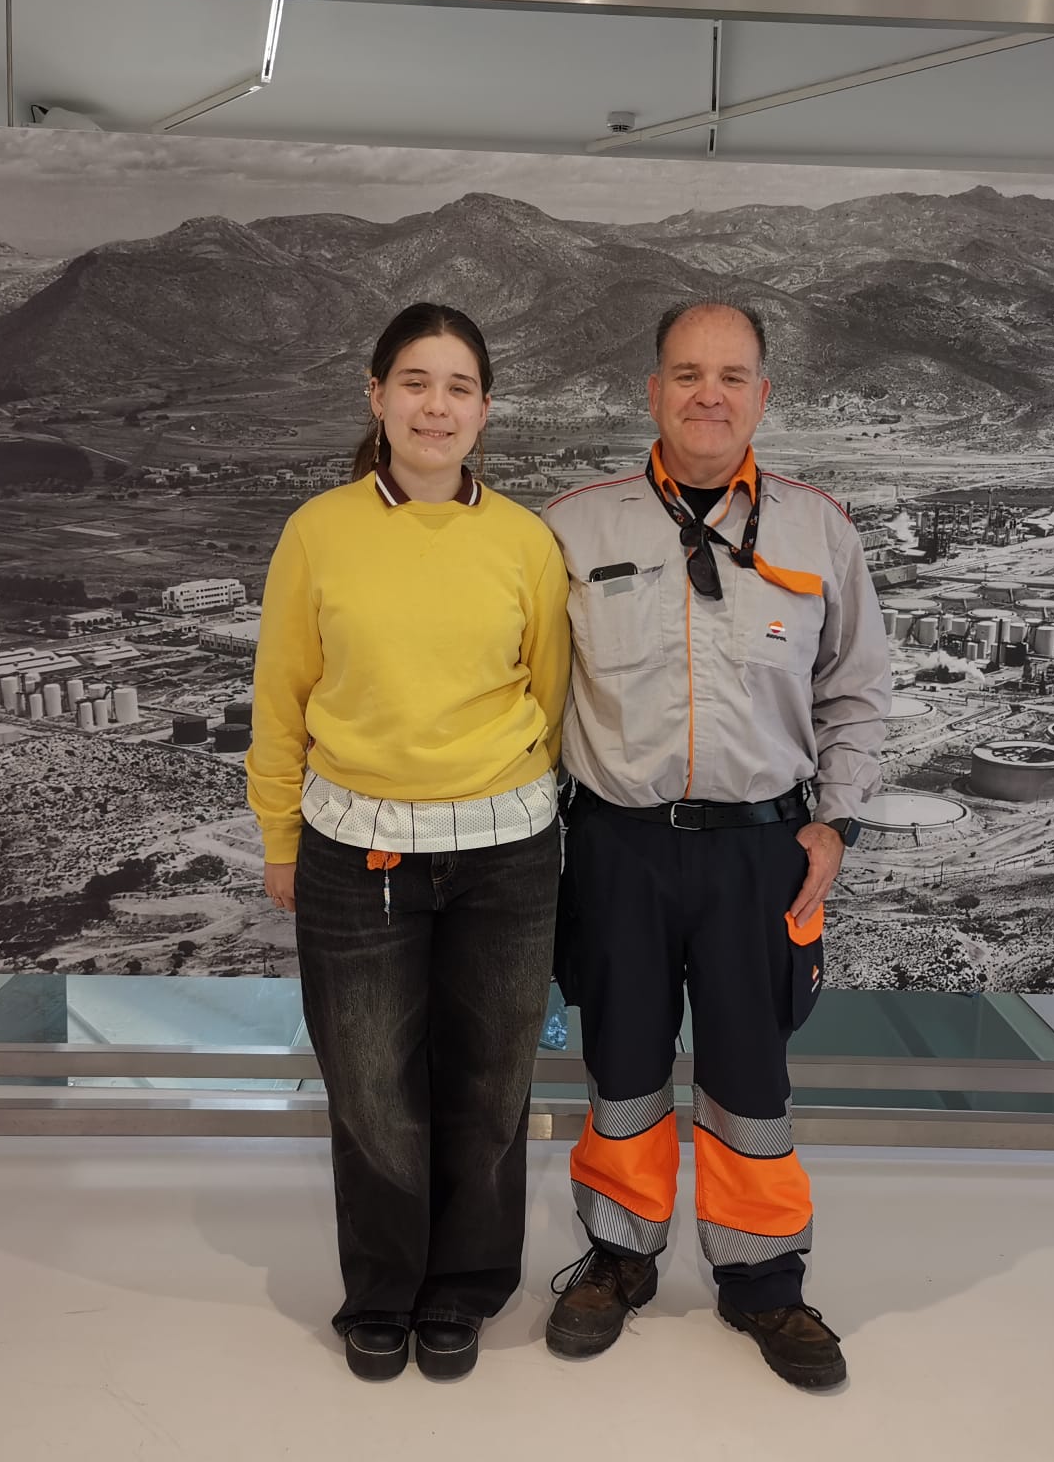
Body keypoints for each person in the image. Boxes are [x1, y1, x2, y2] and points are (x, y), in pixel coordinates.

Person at [540, 300, 890, 1389]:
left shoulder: (819, 531)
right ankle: (618, 1255)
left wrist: (836, 819)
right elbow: (527, 695)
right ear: (652, 391)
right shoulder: (573, 529)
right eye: (686, 373)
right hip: (619, 847)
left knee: (751, 1075)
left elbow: (856, 691)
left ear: (762, 396)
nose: (708, 394)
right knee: (623, 1066)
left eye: (731, 376)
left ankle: (762, 1277)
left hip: (759, 852)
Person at [247, 302, 571, 1382]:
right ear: (376, 396)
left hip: (507, 852)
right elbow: (281, 698)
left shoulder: (524, 540)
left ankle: (464, 1290)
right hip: (355, 850)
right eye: (416, 383)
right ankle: (383, 1290)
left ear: (486, 410)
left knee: (490, 1081)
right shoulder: (318, 531)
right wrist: (280, 837)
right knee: (370, 1084)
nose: (437, 406)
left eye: (459, 387)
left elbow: (550, 696)